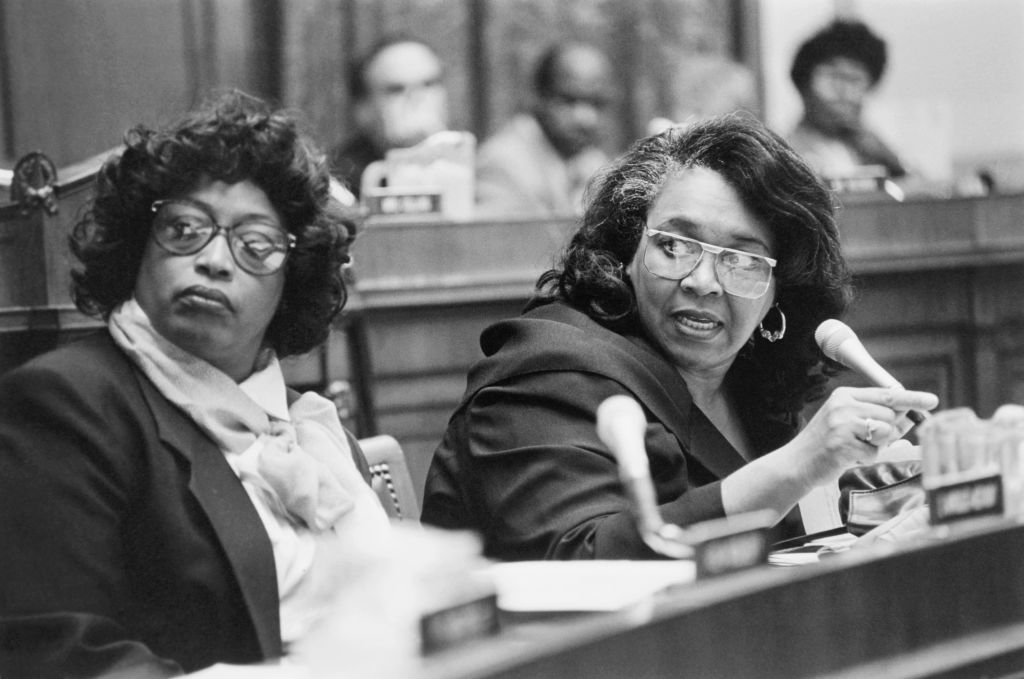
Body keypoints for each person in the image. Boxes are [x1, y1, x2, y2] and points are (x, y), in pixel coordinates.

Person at [422, 115, 938, 561]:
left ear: (779, 289)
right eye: (674, 245)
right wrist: (796, 467)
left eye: (741, 259)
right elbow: (583, 561)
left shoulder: (752, 377)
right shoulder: (546, 375)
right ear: (627, 249)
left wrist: (888, 521)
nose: (701, 281)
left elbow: (777, 546)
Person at [0, 91, 389, 677]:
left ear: (294, 279)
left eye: (255, 246)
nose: (213, 260)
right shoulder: (66, 404)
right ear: (137, 246)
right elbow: (66, 654)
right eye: (184, 229)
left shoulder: (307, 427)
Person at [475, 41, 614, 217]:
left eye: (597, 103)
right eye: (569, 101)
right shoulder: (503, 164)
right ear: (538, 97)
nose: (586, 119)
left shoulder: (591, 162)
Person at [786, 19, 908, 182]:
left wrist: (888, 159)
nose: (843, 91)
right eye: (832, 76)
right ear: (803, 84)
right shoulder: (784, 153)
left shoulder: (874, 150)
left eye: (855, 79)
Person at [329, 36, 448, 198]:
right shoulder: (338, 180)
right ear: (363, 108)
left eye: (429, 84)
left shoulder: (474, 167)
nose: (417, 98)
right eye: (396, 90)